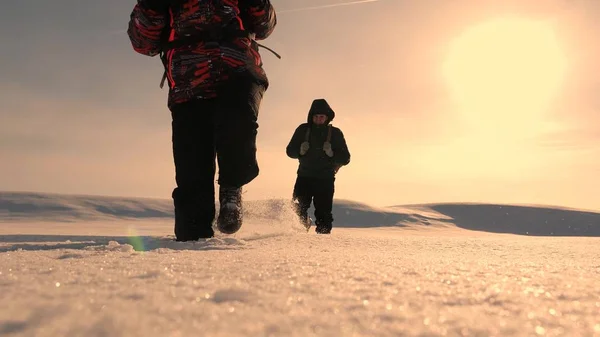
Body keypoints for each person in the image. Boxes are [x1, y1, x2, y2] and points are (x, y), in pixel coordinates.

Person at [127, 0, 277, 241]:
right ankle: (193, 240)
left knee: (238, 121)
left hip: (237, 68)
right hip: (188, 82)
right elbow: (143, 43)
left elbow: (264, 26)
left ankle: (231, 188)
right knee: (192, 183)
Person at [286, 99, 351, 234]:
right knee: (297, 209)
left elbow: (346, 158)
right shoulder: (303, 130)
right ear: (311, 116)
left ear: (327, 117)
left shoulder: (335, 133)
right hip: (304, 177)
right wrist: (300, 151)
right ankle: (297, 236)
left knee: (324, 213)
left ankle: (323, 243)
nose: (319, 119)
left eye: (322, 116)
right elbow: (289, 151)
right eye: (316, 116)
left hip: (325, 179)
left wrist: (332, 153)